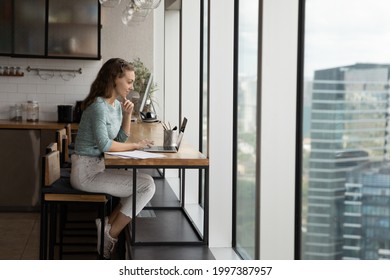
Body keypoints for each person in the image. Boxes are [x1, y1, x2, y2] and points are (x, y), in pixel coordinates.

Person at [70, 58, 156, 259]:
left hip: (97, 168)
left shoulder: (116, 106)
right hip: (85, 174)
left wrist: (127, 115)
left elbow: (118, 139)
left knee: (145, 183)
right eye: (129, 81)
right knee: (145, 187)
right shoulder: (98, 107)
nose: (132, 86)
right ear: (114, 79)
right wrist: (136, 146)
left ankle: (107, 225)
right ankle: (111, 234)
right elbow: (105, 145)